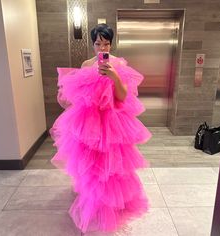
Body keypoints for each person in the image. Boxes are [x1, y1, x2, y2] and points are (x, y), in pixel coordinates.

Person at [49, 23, 152, 234]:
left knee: (113, 165)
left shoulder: (119, 64)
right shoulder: (86, 64)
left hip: (113, 123)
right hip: (90, 123)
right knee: (91, 164)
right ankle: (94, 200)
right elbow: (79, 96)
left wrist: (113, 76)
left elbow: (123, 96)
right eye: (98, 44)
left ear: (111, 44)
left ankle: (111, 203)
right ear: (92, 44)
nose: (102, 49)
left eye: (106, 44)